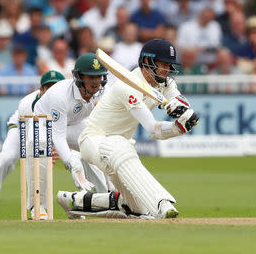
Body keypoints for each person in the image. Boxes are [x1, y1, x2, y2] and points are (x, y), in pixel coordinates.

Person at [57, 39, 199, 219]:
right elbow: (152, 129)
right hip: (94, 139)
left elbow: (178, 100)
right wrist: (175, 128)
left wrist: (182, 117)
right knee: (118, 145)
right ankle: (162, 204)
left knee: (133, 207)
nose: (168, 70)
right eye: (164, 64)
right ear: (148, 62)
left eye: (170, 65)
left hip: (122, 145)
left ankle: (72, 201)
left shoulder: (165, 83)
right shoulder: (127, 86)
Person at [0, 70, 65, 221]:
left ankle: (87, 203)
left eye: (56, 87)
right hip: (23, 126)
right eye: (48, 88)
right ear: (41, 89)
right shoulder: (29, 103)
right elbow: (33, 141)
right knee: (7, 158)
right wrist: (48, 149)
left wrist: (54, 147)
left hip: (50, 131)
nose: (51, 92)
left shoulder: (66, 100)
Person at [33, 53, 112, 202]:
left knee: (100, 149)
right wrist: (70, 162)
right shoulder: (60, 94)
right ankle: (38, 206)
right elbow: (57, 135)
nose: (96, 82)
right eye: (90, 77)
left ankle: (107, 198)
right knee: (44, 163)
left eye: (98, 77)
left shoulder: (105, 91)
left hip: (73, 124)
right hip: (43, 126)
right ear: (79, 77)